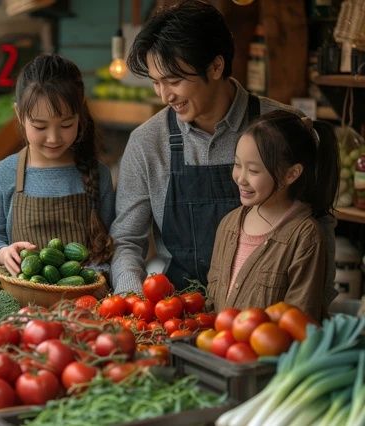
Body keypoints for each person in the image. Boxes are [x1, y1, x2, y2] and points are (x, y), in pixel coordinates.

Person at [109, 0, 333, 294]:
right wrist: (132, 300)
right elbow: (127, 240)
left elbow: (319, 225)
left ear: (216, 66)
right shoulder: (147, 142)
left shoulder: (284, 127)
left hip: (264, 315)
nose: (165, 96)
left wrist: (314, 305)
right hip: (178, 309)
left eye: (174, 80)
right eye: (156, 83)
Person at [0, 53, 115, 276]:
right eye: (40, 127)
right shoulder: (4, 173)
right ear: (19, 115)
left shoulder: (99, 174)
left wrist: (97, 274)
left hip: (85, 301)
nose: (53, 138)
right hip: (23, 302)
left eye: (66, 124)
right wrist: (2, 253)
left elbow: (111, 242)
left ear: (80, 113)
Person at [207, 111, 339, 320]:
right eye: (237, 164)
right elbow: (212, 303)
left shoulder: (305, 236)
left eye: (253, 170)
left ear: (291, 174)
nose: (240, 178)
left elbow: (299, 321)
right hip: (218, 349)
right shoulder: (228, 223)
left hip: (270, 352)